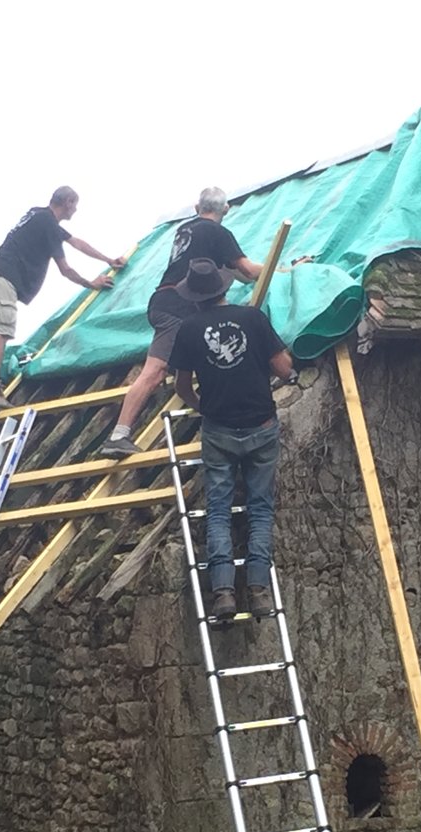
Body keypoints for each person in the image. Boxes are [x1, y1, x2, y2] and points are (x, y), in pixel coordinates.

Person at [167, 259, 296, 622]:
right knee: (260, 509)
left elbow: (181, 387)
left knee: (219, 510)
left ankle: (223, 592)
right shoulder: (252, 318)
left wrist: (205, 408)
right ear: (223, 288)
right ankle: (258, 590)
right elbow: (284, 368)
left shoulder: (189, 329)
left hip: (219, 430)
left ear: (195, 297)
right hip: (261, 426)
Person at [98, 187, 263, 456]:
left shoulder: (187, 230)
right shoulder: (218, 233)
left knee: (190, 360)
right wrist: (285, 269)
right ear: (226, 209)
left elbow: (235, 273)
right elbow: (248, 270)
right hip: (177, 306)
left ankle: (206, 407)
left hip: (165, 300)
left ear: (197, 208)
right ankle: (118, 435)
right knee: (156, 370)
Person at [0, 186, 125, 414]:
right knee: (0, 332)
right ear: (68, 202)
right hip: (4, 276)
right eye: (75, 205)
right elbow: (65, 270)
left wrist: (108, 259)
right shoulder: (48, 223)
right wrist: (91, 283)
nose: (76, 210)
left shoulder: (39, 215)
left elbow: (76, 242)